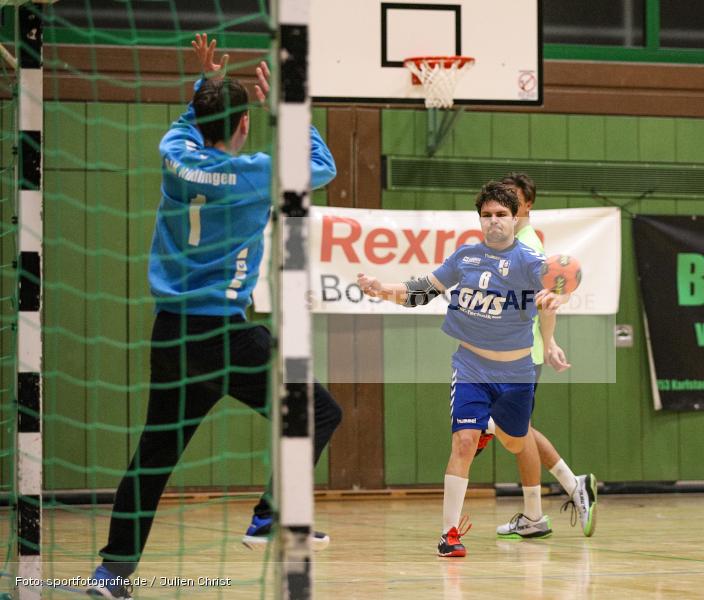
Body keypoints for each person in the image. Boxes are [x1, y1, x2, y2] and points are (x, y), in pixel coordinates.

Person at [87, 34, 339, 599]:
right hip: (227, 334)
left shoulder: (174, 156)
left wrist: (208, 86)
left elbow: (189, 125)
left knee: (153, 458)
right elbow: (322, 166)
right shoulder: (257, 174)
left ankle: (111, 576)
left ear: (199, 123)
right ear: (245, 125)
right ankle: (270, 514)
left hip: (172, 334)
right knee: (320, 412)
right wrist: (289, 108)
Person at [357, 182, 564, 557]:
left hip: (516, 372)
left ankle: (491, 426)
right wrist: (380, 288)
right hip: (471, 366)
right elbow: (422, 290)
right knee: (463, 442)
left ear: (514, 218)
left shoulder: (529, 260)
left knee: (516, 442)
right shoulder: (465, 257)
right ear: (479, 220)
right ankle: (448, 534)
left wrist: (551, 320)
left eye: (501, 214)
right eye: (486, 215)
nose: (493, 221)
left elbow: (553, 292)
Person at [480, 173, 599, 539]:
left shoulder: (527, 246)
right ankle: (570, 486)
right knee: (518, 431)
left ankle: (537, 513)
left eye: (512, 200)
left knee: (507, 429)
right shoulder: (508, 242)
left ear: (527, 205)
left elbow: (553, 293)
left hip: (518, 356)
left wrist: (548, 341)